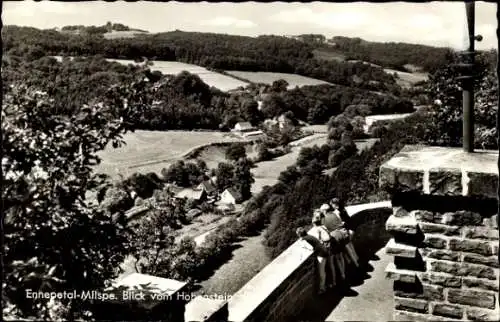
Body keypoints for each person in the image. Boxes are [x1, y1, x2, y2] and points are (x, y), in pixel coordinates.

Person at [328, 198, 360, 268]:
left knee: (347, 247)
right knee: (350, 246)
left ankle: (356, 264)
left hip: (346, 230)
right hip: (351, 229)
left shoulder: (337, 211)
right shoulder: (343, 209)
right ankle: (357, 260)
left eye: (332, 204)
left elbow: (340, 223)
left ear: (335, 204)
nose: (331, 206)